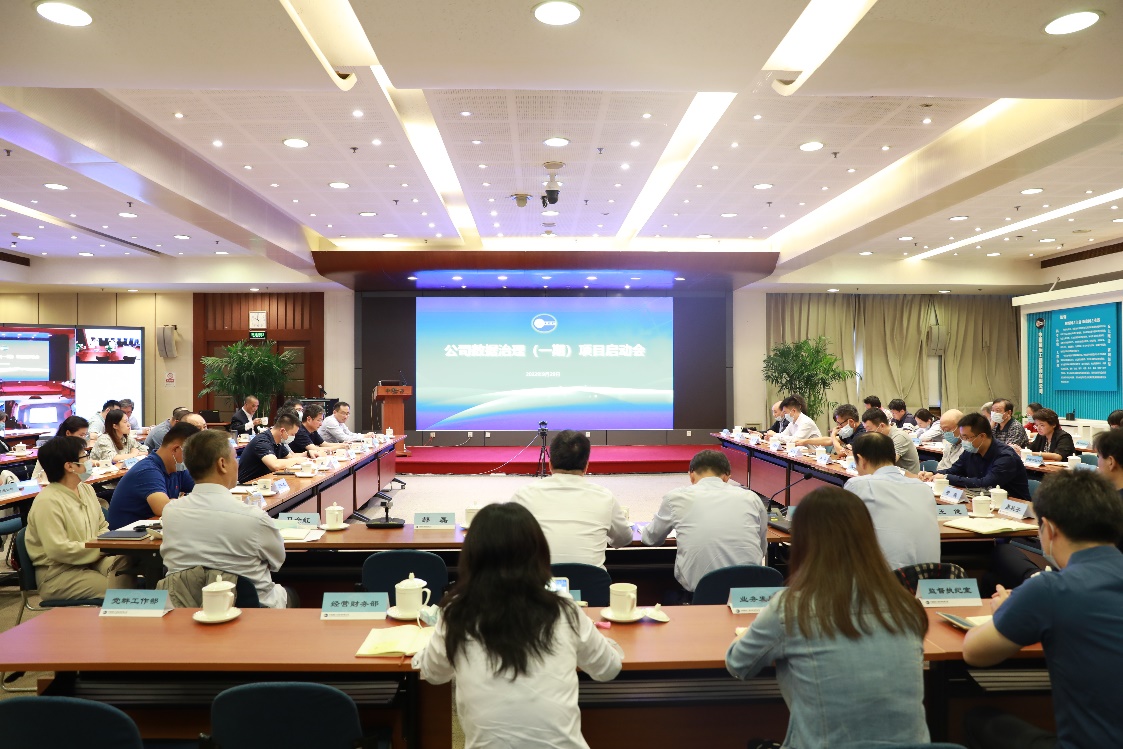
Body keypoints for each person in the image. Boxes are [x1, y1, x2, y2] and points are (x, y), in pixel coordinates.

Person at [726, 486, 930, 748]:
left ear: (803, 542)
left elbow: (738, 665)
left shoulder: (791, 608)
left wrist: (750, 636)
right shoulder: (905, 605)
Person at [413, 502, 622, 748]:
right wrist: (600, 643)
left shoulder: (456, 612)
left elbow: (434, 674)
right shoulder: (563, 607)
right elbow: (608, 669)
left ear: (470, 556)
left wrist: (426, 653)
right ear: (539, 552)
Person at [963, 469, 1123, 749]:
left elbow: (974, 652)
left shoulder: (1050, 589)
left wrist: (1008, 609)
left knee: (977, 718)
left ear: (1048, 529)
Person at [160, 430, 296, 608]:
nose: (237, 464)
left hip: (185, 609)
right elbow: (277, 561)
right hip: (251, 610)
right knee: (292, 594)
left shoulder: (170, 512)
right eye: (235, 458)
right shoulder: (254, 517)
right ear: (222, 464)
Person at [641, 449, 769, 594]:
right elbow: (761, 547)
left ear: (691, 476)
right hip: (749, 595)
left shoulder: (675, 497)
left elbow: (650, 539)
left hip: (701, 595)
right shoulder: (752, 498)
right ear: (727, 477)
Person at [24, 436, 135, 599]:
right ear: (70, 466)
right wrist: (100, 548)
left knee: (130, 563)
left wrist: (100, 547)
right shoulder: (47, 502)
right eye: (85, 456)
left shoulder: (86, 489)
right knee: (118, 589)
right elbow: (59, 550)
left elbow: (102, 526)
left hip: (92, 560)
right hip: (60, 573)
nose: (90, 462)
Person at [510, 430, 632, 569]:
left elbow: (507, 540)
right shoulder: (605, 497)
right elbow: (624, 539)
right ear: (586, 466)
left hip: (539, 581)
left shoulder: (523, 495)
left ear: (550, 465)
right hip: (590, 583)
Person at [844, 433, 939, 570]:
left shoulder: (858, 485)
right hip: (928, 577)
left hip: (886, 579)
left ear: (861, 459)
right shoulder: (924, 488)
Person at [106, 422, 200, 529]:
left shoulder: (177, 468)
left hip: (151, 530)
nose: (193, 460)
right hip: (126, 536)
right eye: (191, 455)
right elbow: (162, 508)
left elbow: (206, 488)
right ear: (175, 449)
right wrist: (194, 501)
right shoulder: (147, 470)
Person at [918, 412, 1030, 500]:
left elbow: (985, 483)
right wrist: (933, 473)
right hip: (983, 500)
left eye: (966, 437)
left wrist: (946, 477)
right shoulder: (971, 451)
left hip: (1013, 506)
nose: (963, 441)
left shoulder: (1005, 457)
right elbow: (955, 470)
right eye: (962, 437)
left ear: (982, 436)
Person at [236, 408, 304, 484]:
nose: (293, 437)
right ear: (282, 431)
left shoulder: (279, 442)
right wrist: (296, 460)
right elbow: (275, 465)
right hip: (249, 485)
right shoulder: (262, 441)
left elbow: (290, 457)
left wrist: (306, 457)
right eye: (292, 434)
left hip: (265, 482)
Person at [859, 408, 920, 474]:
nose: (867, 433)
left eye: (869, 430)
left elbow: (887, 464)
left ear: (882, 426)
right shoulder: (880, 437)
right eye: (866, 429)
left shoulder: (899, 437)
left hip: (906, 478)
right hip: (891, 475)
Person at [32, 416, 90, 484]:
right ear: (68, 433)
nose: (83, 439)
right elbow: (35, 478)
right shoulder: (51, 451)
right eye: (81, 435)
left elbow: (84, 474)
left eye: (85, 435)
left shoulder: (80, 450)